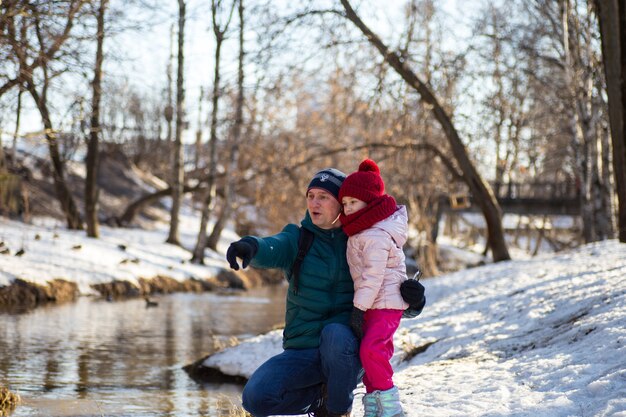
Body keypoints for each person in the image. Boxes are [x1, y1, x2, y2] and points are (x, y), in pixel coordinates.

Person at [226, 167, 361, 417]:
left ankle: (338, 410)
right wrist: (250, 246)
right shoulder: (299, 239)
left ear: (341, 204)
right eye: (310, 196)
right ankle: (322, 397)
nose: (314, 202)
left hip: (347, 351)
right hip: (304, 350)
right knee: (256, 397)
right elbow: (273, 246)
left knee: (335, 334)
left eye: (323, 197)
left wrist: (413, 300)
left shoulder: (361, 241)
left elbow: (387, 293)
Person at [338, 159, 408, 417]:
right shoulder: (361, 231)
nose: (347, 208)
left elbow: (373, 276)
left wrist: (358, 308)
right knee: (372, 355)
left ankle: (390, 408)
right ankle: (373, 406)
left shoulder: (375, 234)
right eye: (344, 203)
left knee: (371, 351)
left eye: (353, 202)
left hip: (385, 302)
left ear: (370, 202)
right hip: (376, 302)